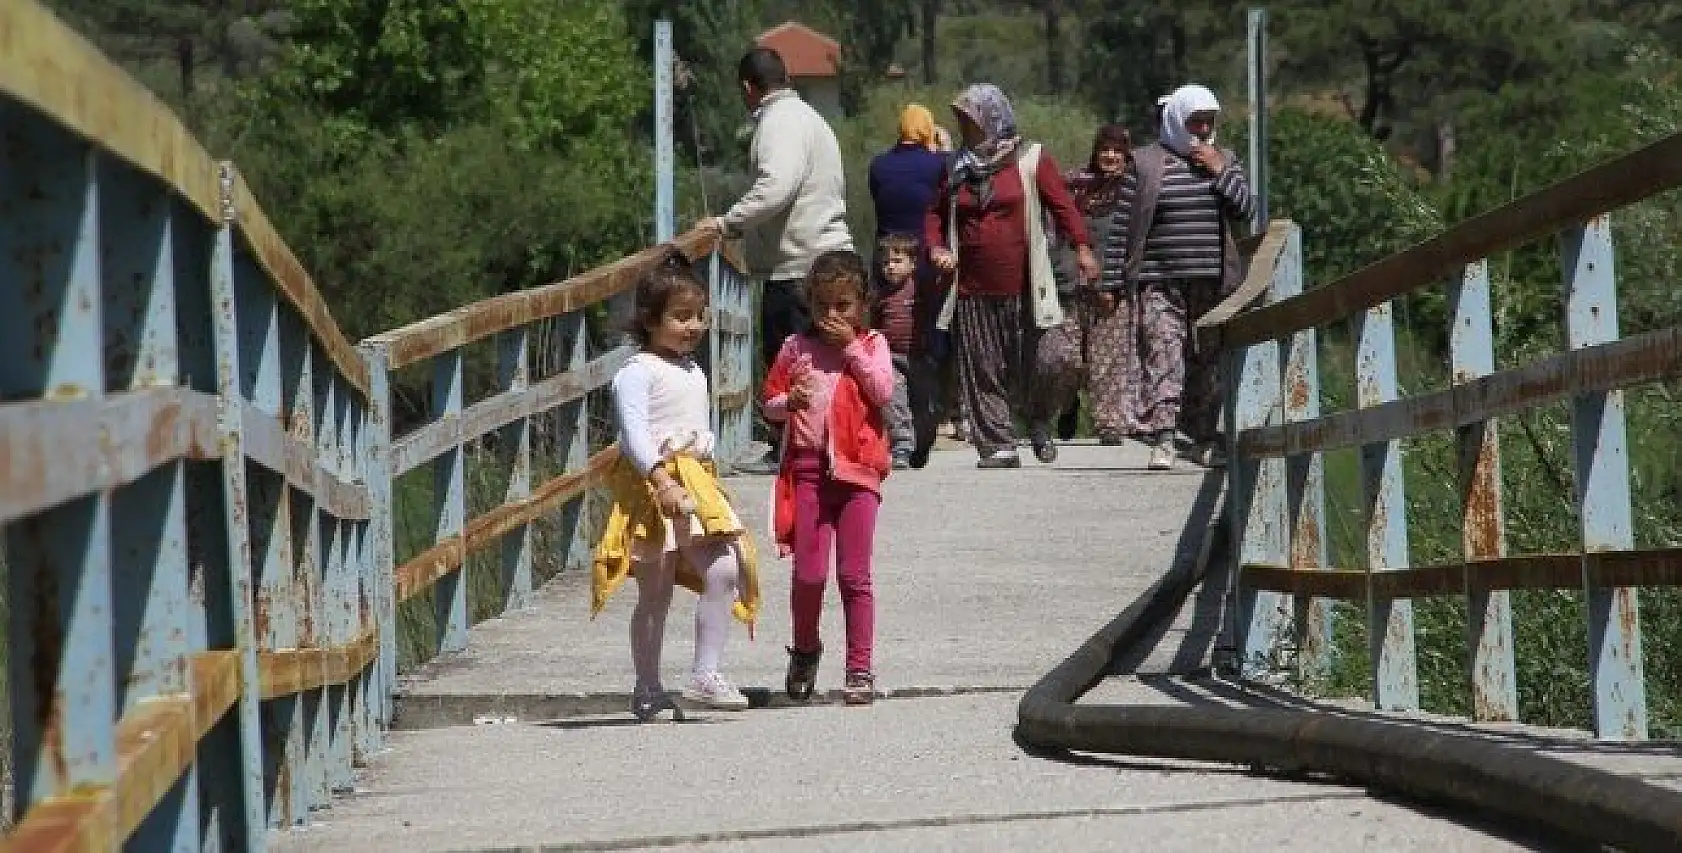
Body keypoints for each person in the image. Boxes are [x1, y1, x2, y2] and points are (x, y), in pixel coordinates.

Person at [591, 248, 762, 719]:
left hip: (696, 485)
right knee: (656, 589)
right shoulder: (636, 373)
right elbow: (633, 435)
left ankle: (706, 673)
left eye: (700, 317)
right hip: (655, 489)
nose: (694, 326)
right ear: (650, 319)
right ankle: (647, 687)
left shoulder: (693, 371)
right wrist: (661, 481)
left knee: (726, 566)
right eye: (681, 317)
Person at [925, 83, 1098, 469]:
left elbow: (1063, 206)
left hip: (1026, 285)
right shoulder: (955, 166)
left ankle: (1038, 419)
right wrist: (936, 248)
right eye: (961, 121)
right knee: (983, 367)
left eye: (971, 120)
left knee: (1053, 360)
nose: (965, 128)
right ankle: (998, 444)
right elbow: (934, 214)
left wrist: (1083, 247)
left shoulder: (1030, 158)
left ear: (993, 120)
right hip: (971, 288)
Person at [700, 47, 853, 475]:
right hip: (827, 253)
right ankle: (824, 445)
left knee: (791, 362)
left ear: (748, 88)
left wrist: (727, 223)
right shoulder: (807, 117)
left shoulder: (778, 123)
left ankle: (790, 448)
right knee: (826, 360)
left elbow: (775, 187)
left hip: (798, 264)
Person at [761, 250, 895, 706]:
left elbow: (883, 391)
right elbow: (769, 403)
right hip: (809, 471)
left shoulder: (873, 345)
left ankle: (859, 668)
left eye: (843, 305)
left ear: (862, 305)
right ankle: (805, 650)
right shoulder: (795, 349)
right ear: (810, 306)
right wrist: (787, 403)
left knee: (854, 576)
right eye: (822, 306)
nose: (832, 316)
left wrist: (852, 349)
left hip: (858, 474)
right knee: (809, 574)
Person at [1102, 84, 1254, 470]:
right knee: (1164, 351)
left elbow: (1246, 210)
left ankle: (1203, 437)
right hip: (1159, 280)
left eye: (1208, 122)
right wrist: (1112, 281)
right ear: (1176, 120)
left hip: (1211, 282)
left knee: (1206, 360)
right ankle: (1164, 437)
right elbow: (1123, 224)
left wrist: (1220, 171)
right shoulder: (1146, 162)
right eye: (1195, 122)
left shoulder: (1225, 160)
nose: (1202, 130)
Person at [1036, 125, 1135, 448]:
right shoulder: (1071, 185)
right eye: (1105, 149)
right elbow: (1050, 227)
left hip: (1113, 289)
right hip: (1070, 287)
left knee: (1107, 361)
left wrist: (1116, 284)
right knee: (1064, 358)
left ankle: (1110, 425)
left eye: (1118, 150)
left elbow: (1137, 243)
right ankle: (1067, 404)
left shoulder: (1136, 190)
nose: (1110, 156)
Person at [871, 233, 924, 468]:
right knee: (894, 398)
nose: (890, 267)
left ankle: (923, 442)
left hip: (919, 355)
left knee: (924, 402)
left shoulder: (920, 292)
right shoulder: (881, 297)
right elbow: (872, 324)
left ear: (912, 264)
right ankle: (901, 444)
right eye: (885, 263)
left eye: (897, 261)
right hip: (890, 357)